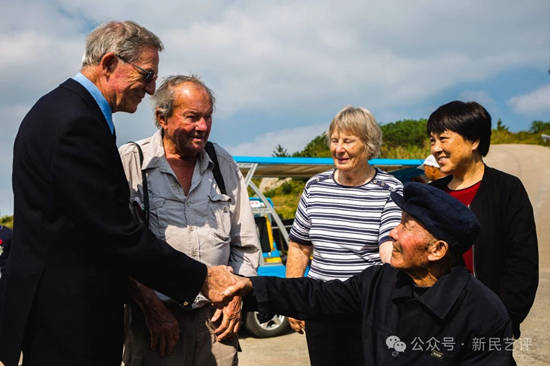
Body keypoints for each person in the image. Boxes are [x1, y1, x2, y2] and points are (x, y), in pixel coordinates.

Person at [0, 21, 239, 366]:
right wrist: (201, 277)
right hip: (70, 318)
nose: (153, 87)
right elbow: (115, 231)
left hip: (61, 311)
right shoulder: (75, 123)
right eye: (147, 74)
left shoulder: (64, 109)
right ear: (110, 63)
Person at [238, 182, 514, 365]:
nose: (393, 232)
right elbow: (318, 295)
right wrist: (247, 287)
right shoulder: (381, 280)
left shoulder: (484, 315)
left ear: (437, 250)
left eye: (406, 226)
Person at [119, 75, 261, 366]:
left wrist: (236, 298)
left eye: (208, 117)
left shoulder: (222, 163)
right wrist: (151, 307)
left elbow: (245, 245)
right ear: (162, 118)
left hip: (217, 324)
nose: (203, 127)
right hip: (155, 325)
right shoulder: (132, 162)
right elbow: (116, 249)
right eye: (193, 117)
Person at [285, 106, 403, 365]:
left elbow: (388, 247)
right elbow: (299, 246)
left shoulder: (390, 188)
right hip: (321, 305)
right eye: (335, 141)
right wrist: (293, 298)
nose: (339, 149)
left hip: (367, 307)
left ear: (368, 145)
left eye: (348, 141)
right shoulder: (315, 187)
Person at [427, 101, 538, 338]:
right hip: (438, 325)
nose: (436, 148)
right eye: (432, 140)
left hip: (490, 324)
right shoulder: (432, 193)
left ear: (474, 141)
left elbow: (523, 263)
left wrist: (504, 319)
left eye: (443, 138)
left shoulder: (507, 189)